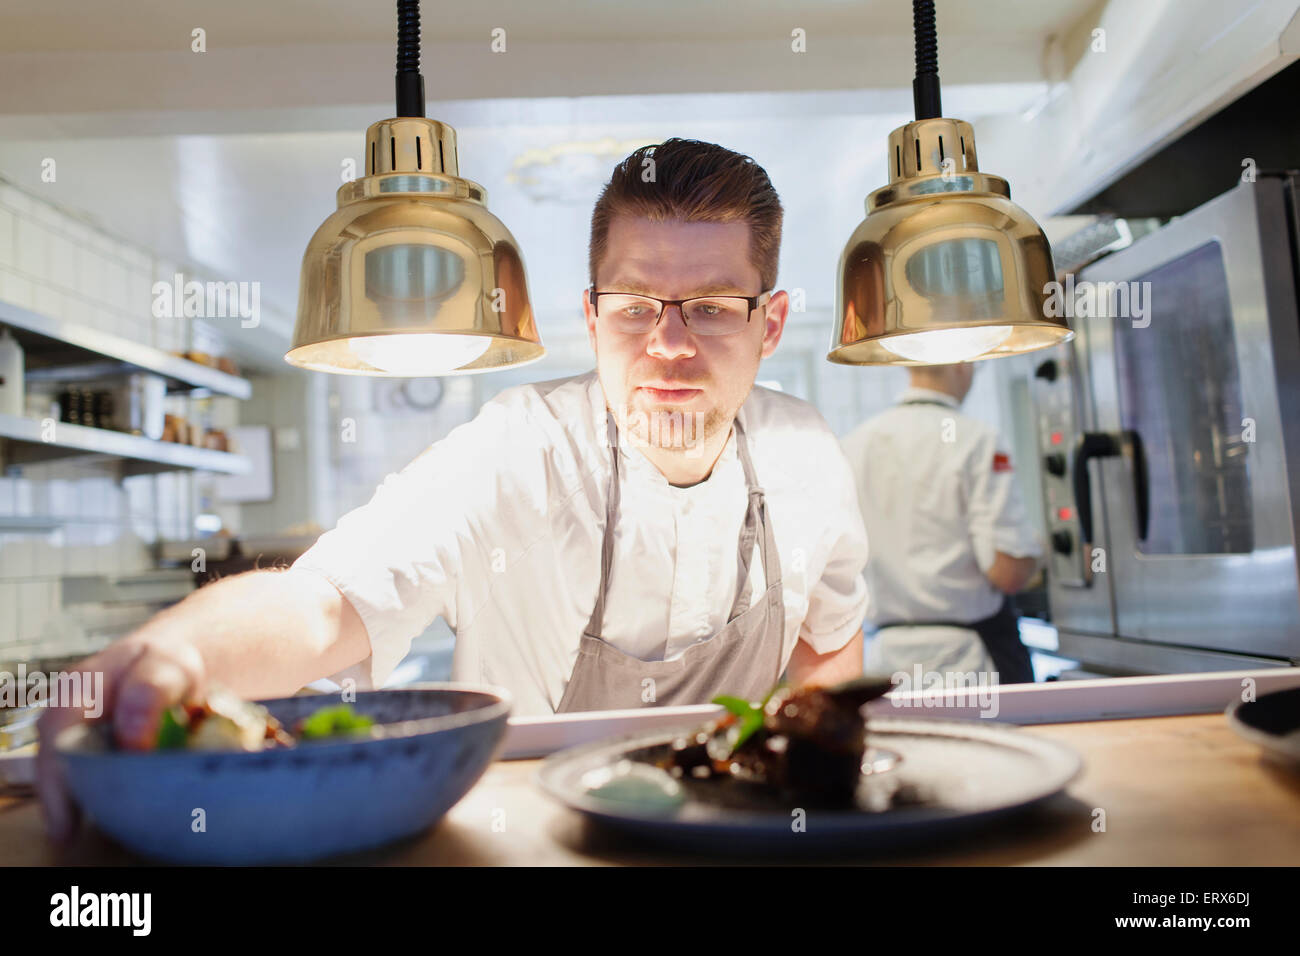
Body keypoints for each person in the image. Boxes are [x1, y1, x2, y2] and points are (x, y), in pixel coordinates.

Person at [37, 138, 872, 839]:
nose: (670, 344)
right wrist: (177, 654)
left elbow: (827, 646)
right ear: (590, 316)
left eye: (714, 307)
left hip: (743, 836)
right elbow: (324, 603)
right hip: (540, 840)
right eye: (633, 305)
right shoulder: (519, 450)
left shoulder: (806, 455)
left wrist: (816, 804)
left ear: (770, 323)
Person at [840, 362, 1042, 689]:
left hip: (888, 664)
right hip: (971, 665)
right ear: (962, 364)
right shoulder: (978, 439)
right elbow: (1008, 572)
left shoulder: (853, 444)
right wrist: (1038, 556)